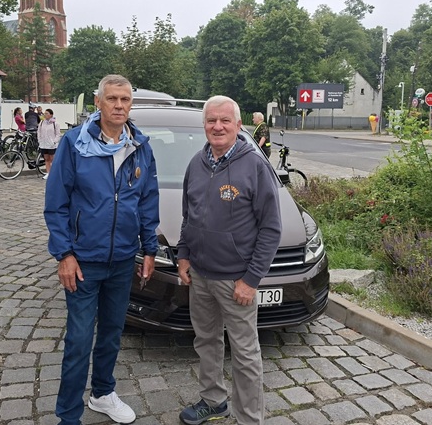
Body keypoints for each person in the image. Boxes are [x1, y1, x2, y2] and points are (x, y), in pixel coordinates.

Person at [44, 74, 160, 425]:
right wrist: (64, 254)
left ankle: (103, 393)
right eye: (112, 99)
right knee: (79, 340)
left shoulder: (139, 146)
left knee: (111, 334)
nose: (119, 105)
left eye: (125, 99)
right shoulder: (75, 143)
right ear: (98, 102)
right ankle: (68, 416)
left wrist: (150, 249)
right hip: (83, 262)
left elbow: (147, 201)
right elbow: (56, 204)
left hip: (122, 260)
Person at [177, 96, 281, 425]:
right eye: (211, 120)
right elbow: (189, 216)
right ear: (204, 125)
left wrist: (251, 280)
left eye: (225, 120)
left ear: (238, 125)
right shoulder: (196, 164)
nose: (218, 127)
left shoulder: (255, 166)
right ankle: (213, 400)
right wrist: (183, 255)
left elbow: (271, 229)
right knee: (206, 341)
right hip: (200, 276)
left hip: (236, 281)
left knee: (245, 353)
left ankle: (249, 418)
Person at [37, 108, 61, 179]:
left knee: (52, 159)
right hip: (43, 144)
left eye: (47, 113)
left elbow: (58, 134)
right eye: (45, 113)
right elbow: (39, 132)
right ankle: (48, 173)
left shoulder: (55, 124)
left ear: (51, 115)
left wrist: (54, 141)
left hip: (51, 145)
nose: (45, 115)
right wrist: (39, 140)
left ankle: (54, 173)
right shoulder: (41, 123)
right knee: (46, 159)